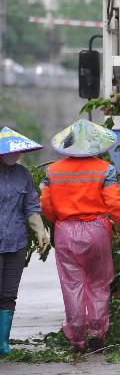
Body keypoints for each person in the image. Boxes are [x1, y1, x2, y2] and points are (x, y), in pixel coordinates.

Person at [40, 119, 120, 352]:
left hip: (65, 230)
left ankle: (77, 337)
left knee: (71, 284)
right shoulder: (104, 169)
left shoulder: (53, 171)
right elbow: (115, 204)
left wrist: (57, 222)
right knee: (99, 282)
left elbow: (46, 206)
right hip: (97, 229)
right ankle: (97, 333)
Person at [0, 127, 50, 356]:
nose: (15, 156)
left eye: (18, 152)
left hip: (16, 242)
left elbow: (31, 205)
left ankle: (3, 342)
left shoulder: (23, 175)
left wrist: (40, 231)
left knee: (9, 293)